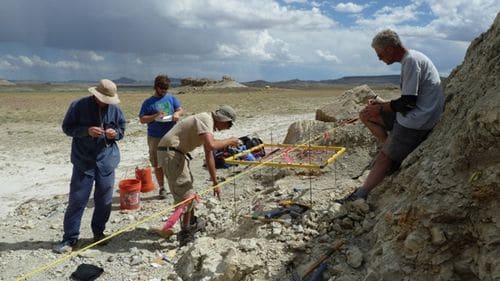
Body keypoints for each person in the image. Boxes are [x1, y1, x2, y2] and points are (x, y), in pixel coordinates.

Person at [337, 29, 444, 203]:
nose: (378, 58)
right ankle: (388, 147)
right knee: (366, 115)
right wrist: (381, 107)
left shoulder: (410, 61)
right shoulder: (412, 59)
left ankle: (362, 193)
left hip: (417, 121)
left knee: (382, 158)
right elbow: (407, 100)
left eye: (379, 54)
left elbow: (408, 102)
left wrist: (381, 108)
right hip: (417, 114)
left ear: (388, 49)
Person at [54, 79, 126, 253]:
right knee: (78, 200)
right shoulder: (78, 106)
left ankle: (99, 233)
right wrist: (86, 131)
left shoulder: (115, 110)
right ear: (95, 94)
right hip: (83, 161)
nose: (106, 103)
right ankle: (70, 238)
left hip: (106, 161)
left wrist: (114, 134)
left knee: (105, 200)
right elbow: (67, 128)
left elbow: (122, 130)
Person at [157, 105, 240, 246]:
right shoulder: (206, 119)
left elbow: (210, 155)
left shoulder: (207, 126)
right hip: (171, 153)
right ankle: (185, 233)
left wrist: (215, 183)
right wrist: (230, 140)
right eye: (229, 124)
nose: (229, 127)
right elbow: (212, 145)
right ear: (222, 118)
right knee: (185, 194)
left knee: (188, 190)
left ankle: (191, 222)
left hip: (177, 153)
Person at [139, 75, 184, 199]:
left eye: (166, 89)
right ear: (156, 87)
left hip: (171, 134)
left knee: (173, 160)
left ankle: (175, 185)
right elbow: (142, 119)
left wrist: (176, 113)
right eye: (162, 89)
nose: (164, 91)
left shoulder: (171, 98)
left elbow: (180, 110)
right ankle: (162, 188)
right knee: (157, 163)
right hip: (155, 137)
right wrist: (155, 116)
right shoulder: (148, 103)